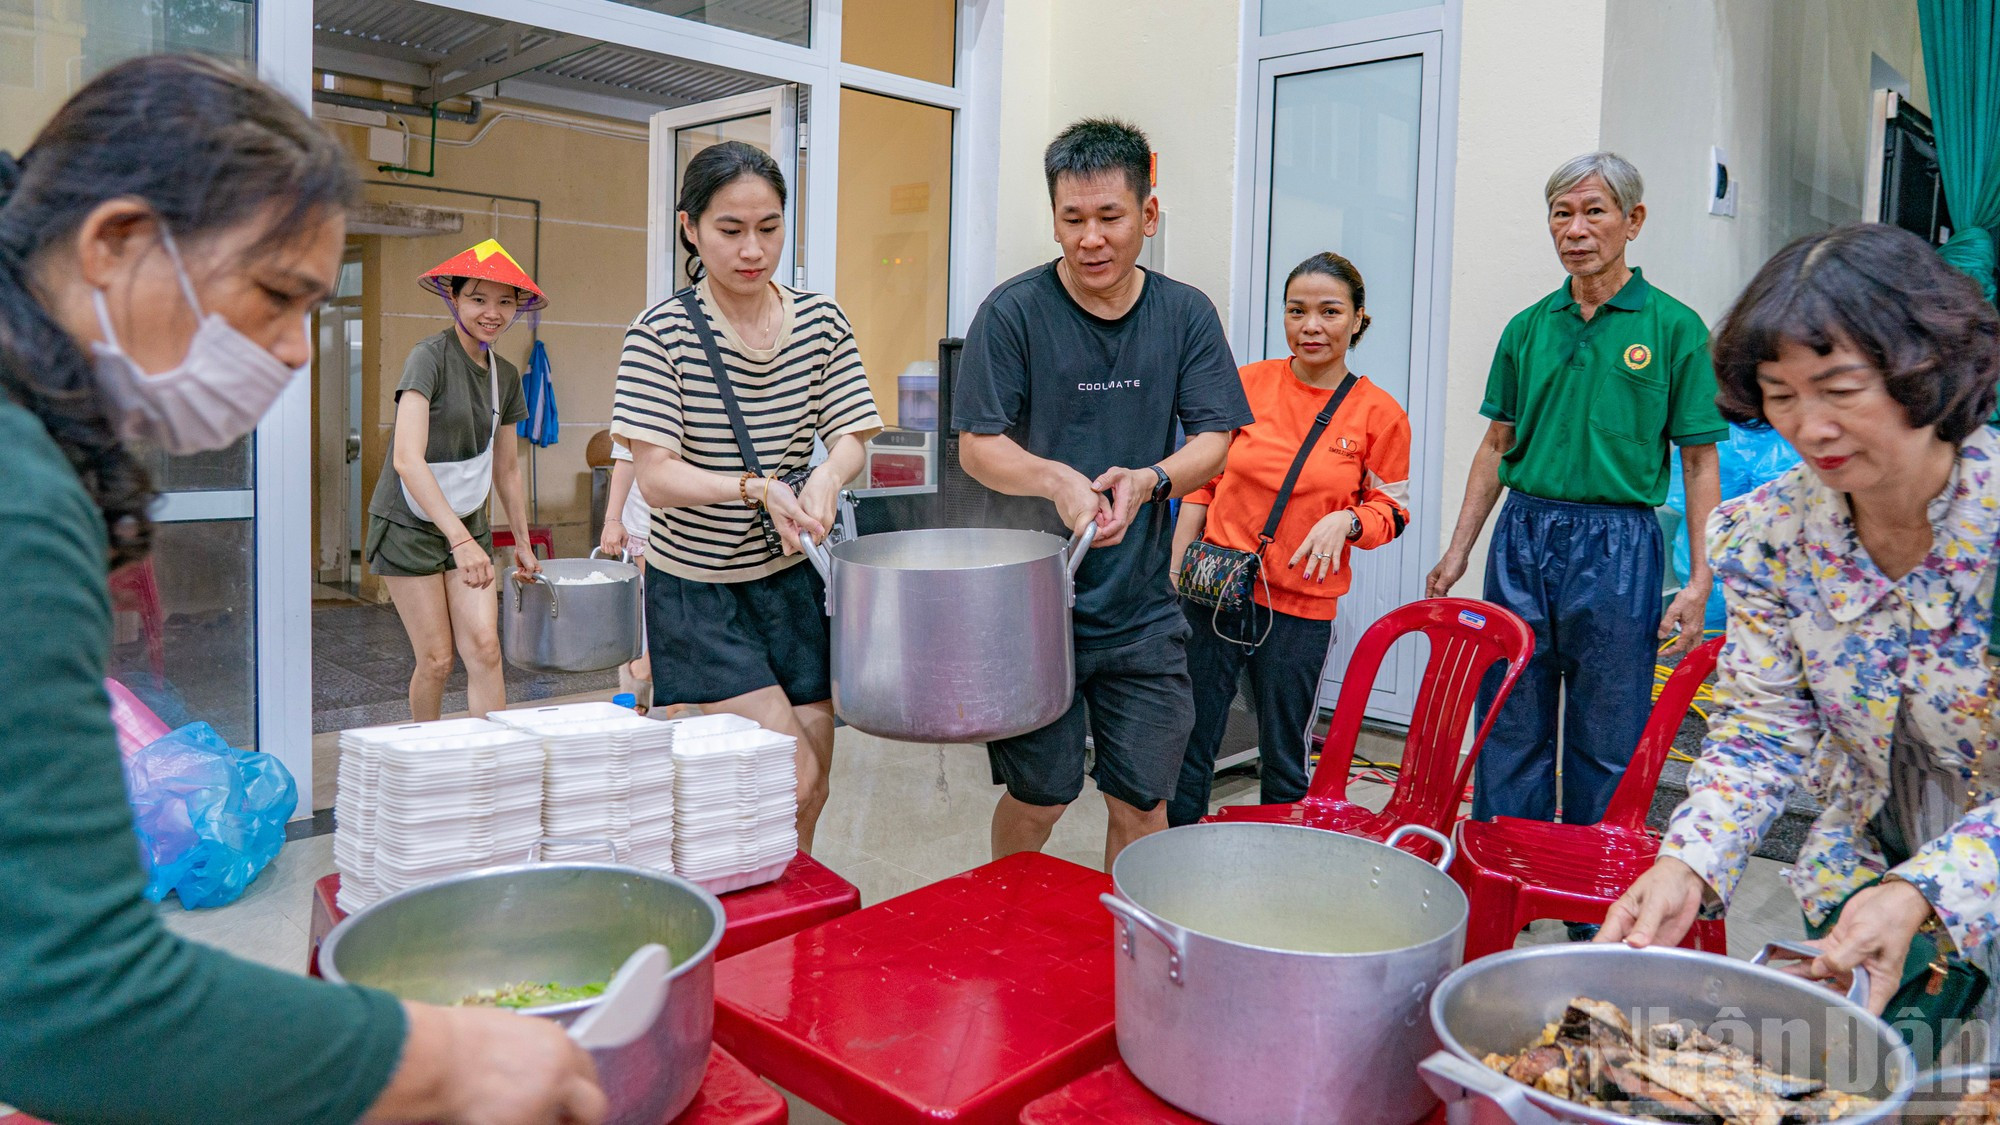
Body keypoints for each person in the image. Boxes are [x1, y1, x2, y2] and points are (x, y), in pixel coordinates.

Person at [0, 55, 601, 1124]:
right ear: (117, 244)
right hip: (418, 531)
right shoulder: (22, 499)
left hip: (470, 530)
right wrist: (441, 1058)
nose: (291, 353)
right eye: (277, 298)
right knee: (437, 656)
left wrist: (511, 536)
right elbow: (76, 1000)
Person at [1599, 224, 2000, 1056]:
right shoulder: (1770, 537)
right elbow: (1762, 726)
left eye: (1840, 388)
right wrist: (1689, 861)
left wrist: (1930, 887)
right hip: (1863, 892)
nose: (1810, 426)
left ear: (1928, 368)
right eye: (1780, 394)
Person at [953, 117, 1254, 866]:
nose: (1090, 238)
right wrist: (1056, 480)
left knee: (1143, 801)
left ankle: (1126, 931)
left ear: (1148, 215)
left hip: (1142, 609)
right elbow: (977, 447)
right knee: (1041, 794)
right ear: (1054, 218)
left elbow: (1214, 439)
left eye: (1110, 217)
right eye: (1072, 219)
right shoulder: (1013, 313)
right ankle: (1009, 912)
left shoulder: (1184, 314)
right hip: (1032, 611)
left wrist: (1151, 481)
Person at [1423, 152, 1728, 868]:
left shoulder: (1675, 329)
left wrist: (1701, 577)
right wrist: (1460, 547)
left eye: (1594, 212)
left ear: (1633, 220)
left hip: (1620, 546)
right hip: (1523, 533)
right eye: (1562, 214)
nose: (1576, 229)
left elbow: (1699, 462)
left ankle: (1594, 889)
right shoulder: (1528, 327)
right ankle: (1505, 876)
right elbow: (1496, 443)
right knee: (1510, 714)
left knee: (1608, 727)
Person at [611, 141, 882, 853]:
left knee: (813, 787)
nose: (753, 249)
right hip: (699, 594)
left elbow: (852, 434)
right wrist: (756, 488)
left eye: (769, 227)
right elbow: (656, 476)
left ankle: (787, 911)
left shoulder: (821, 322)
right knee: (789, 777)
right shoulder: (659, 335)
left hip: (792, 584)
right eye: (730, 230)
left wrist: (825, 477)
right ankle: (728, 903)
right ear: (690, 227)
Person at [1166, 251, 1411, 827]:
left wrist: (1349, 520)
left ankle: (1277, 864)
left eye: (1330, 311)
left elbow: (1392, 511)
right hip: (1215, 591)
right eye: (1296, 311)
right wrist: (1175, 569)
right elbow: (1204, 481)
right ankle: (1176, 855)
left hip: (1299, 610)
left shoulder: (1379, 414)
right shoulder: (1248, 384)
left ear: (1358, 318)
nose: (1311, 326)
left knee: (1283, 756)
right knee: (1190, 741)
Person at [365, 237, 543, 721]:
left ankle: (490, 757)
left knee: (485, 648)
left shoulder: (506, 376)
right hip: (409, 526)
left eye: (505, 302)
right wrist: (460, 541)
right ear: (455, 298)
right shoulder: (429, 357)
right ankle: (428, 755)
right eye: (478, 298)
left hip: (468, 523)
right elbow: (407, 459)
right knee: (437, 660)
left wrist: (522, 542)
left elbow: (507, 468)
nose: (492, 313)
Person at [601, 437, 655, 710]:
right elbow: (625, 455)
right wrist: (613, 519)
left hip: (705, 514)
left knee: (680, 609)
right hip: (649, 516)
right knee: (668, 604)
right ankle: (644, 672)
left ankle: (645, 670)